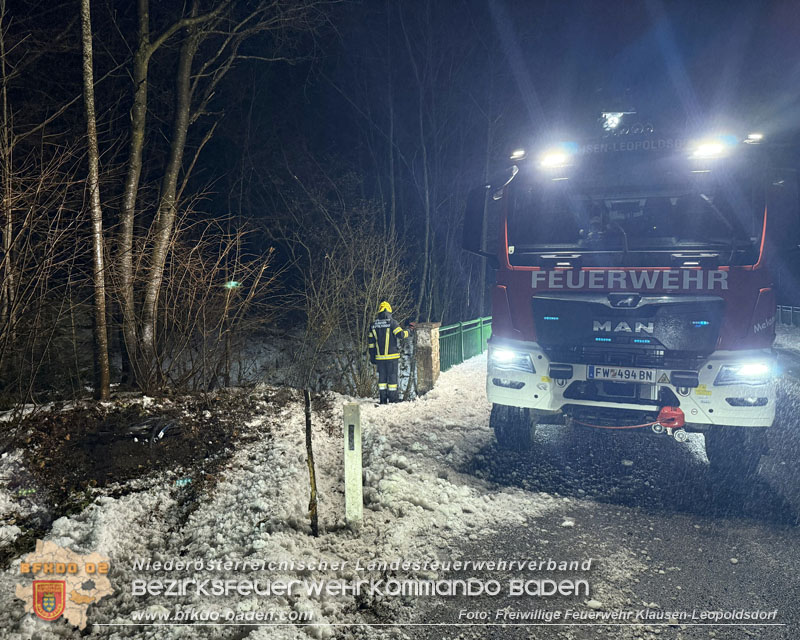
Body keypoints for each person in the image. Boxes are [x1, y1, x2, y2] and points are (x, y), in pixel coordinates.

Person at [368, 301, 409, 404]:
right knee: (392, 380)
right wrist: (409, 331)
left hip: (380, 358)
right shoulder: (392, 322)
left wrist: (372, 357)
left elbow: (371, 343)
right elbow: (400, 335)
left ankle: (383, 400)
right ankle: (393, 400)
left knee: (382, 380)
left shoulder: (373, 325)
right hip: (391, 357)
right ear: (389, 311)